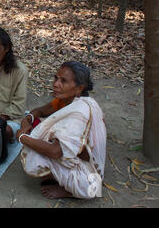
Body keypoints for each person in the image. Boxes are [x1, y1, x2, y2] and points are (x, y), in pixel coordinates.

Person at [17, 61, 106, 200]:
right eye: (56, 78)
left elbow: (55, 151)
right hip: (73, 155)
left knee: (33, 156)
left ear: (79, 88)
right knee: (38, 134)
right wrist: (27, 119)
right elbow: (39, 111)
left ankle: (69, 190)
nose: (56, 84)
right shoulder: (65, 101)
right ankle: (63, 177)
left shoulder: (79, 112)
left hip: (88, 172)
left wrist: (22, 137)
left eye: (63, 81)